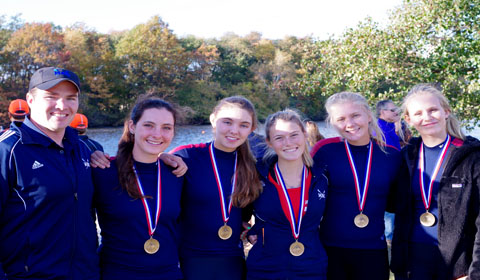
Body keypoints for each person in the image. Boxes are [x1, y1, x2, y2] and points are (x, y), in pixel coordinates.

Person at [0, 67, 99, 279]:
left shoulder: (84, 149)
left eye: (70, 98)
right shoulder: (8, 150)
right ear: (30, 100)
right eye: (51, 97)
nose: (62, 106)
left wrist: (164, 160)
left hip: (85, 273)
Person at [390, 84, 480, 280]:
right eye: (418, 113)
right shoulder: (405, 158)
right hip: (412, 263)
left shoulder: (473, 156)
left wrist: (475, 272)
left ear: (446, 111)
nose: (427, 117)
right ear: (408, 119)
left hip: (457, 265)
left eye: (433, 110)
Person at [311, 92, 401, 280]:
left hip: (373, 250)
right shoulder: (324, 151)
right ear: (333, 123)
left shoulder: (391, 155)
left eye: (355, 115)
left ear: (369, 116)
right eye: (341, 119)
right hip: (330, 249)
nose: (349, 123)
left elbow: (397, 203)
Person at [171, 96, 262, 280]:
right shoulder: (187, 156)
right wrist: (162, 158)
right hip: (190, 260)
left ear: (251, 129)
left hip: (233, 260)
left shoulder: (253, 165)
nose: (234, 130)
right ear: (213, 119)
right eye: (227, 122)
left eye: (244, 125)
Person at [92, 96, 184, 279]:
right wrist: (91, 152)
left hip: (168, 273)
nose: (157, 134)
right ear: (132, 126)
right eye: (149, 125)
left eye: (166, 127)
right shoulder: (103, 171)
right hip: (118, 273)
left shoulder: (177, 173)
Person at [246, 109, 328, 279]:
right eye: (279, 138)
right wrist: (252, 229)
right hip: (265, 268)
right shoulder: (255, 177)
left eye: (294, 135)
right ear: (269, 142)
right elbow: (239, 212)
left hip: (311, 266)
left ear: (305, 134)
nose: (288, 143)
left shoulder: (322, 176)